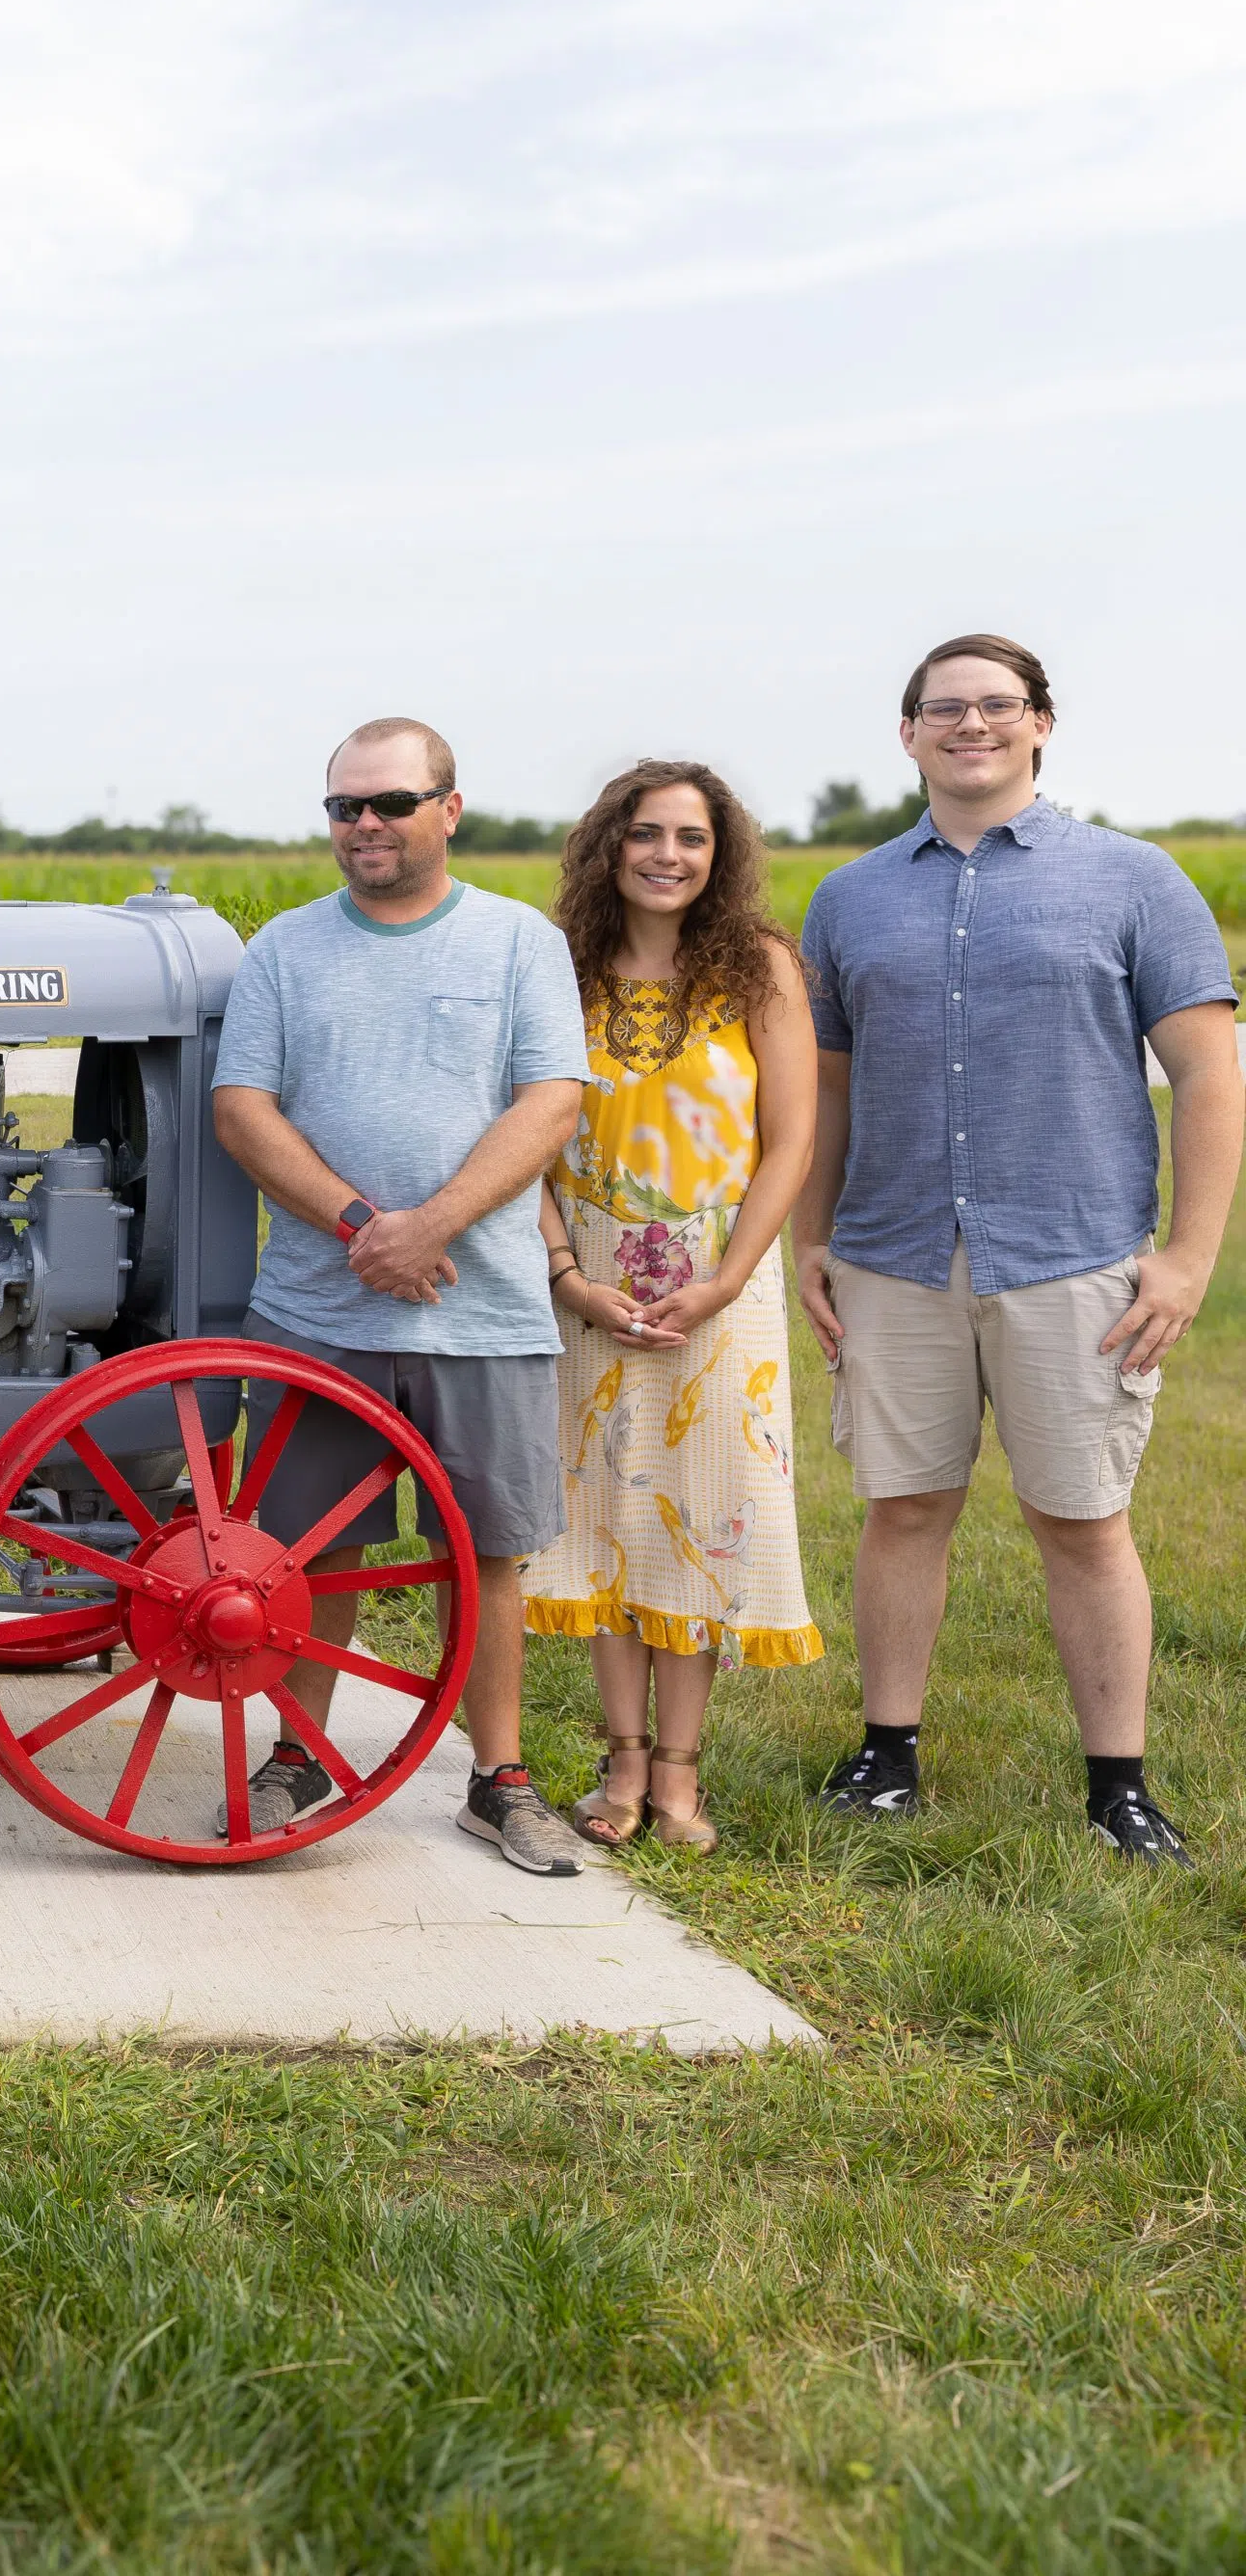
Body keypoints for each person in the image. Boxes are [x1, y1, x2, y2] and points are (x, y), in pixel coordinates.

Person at [794, 636, 1237, 1860]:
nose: (971, 726)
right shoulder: (848, 898)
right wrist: (810, 1237)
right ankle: (885, 1757)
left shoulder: (1134, 881)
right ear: (909, 735)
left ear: (1040, 723)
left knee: (1083, 1520)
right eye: (946, 709)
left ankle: (1118, 1788)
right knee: (903, 1509)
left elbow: (1206, 1073)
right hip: (892, 1253)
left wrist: (1188, 1257)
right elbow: (823, 1093)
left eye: (997, 706)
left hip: (1075, 1255)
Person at [210, 717, 595, 1875]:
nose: (363, 825)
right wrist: (361, 1228)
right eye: (344, 808)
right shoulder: (282, 949)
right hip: (317, 1311)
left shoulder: (518, 943)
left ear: (448, 809)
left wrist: (428, 1227)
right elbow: (244, 1110)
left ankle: (498, 1778)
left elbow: (550, 1103)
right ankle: (300, 1752)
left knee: (485, 1551)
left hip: (479, 1311)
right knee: (303, 1552)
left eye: (388, 803)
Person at [522, 762, 824, 1850]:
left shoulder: (761, 973)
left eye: (690, 838)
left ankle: (683, 1778)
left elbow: (789, 1139)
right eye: (644, 834)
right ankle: (622, 1768)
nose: (666, 855)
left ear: (718, 854)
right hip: (586, 1287)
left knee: (698, 1519)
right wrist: (568, 1278)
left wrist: (731, 1278)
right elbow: (526, 1147)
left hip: (720, 1286)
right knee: (609, 1526)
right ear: (608, 847)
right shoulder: (557, 972)